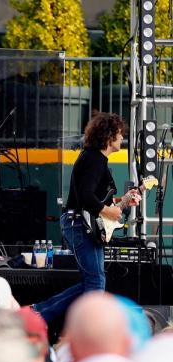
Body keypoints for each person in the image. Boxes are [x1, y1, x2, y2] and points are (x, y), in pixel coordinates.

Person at [33, 113, 140, 323]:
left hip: (80, 224)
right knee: (96, 282)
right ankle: (61, 320)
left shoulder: (94, 158)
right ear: (109, 136)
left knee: (92, 281)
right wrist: (109, 211)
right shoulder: (94, 159)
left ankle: (40, 311)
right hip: (79, 225)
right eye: (119, 134)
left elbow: (94, 196)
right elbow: (85, 197)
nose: (122, 138)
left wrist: (123, 200)